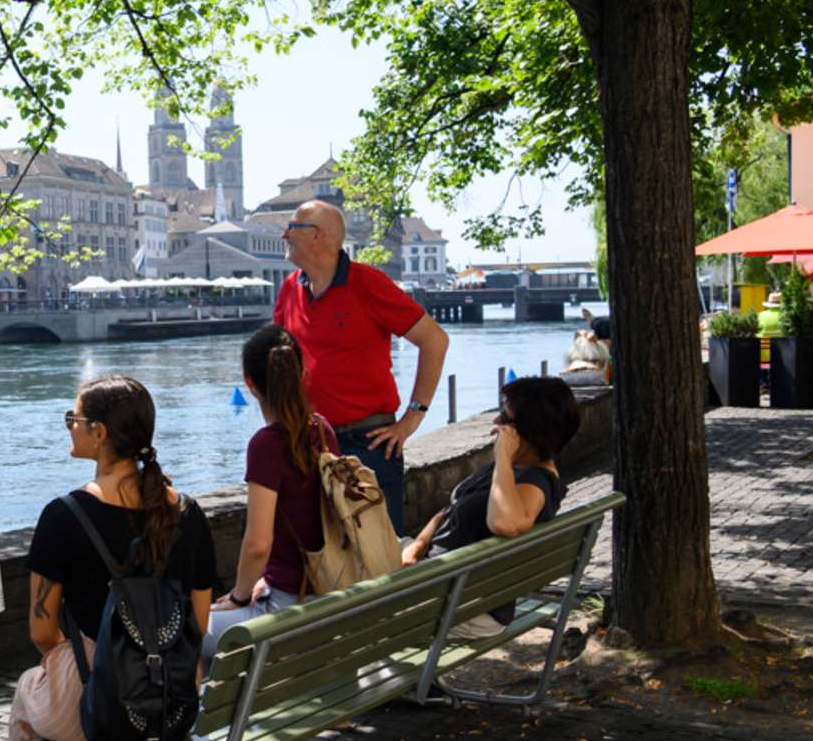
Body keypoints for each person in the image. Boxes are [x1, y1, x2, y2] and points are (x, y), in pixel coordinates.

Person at [9, 374, 218, 741]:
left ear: (99, 432)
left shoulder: (64, 514)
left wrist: (82, 663)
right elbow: (198, 624)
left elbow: (42, 632)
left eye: (73, 419)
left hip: (98, 692)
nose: (70, 427)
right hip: (174, 694)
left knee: (29, 688)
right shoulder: (187, 510)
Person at [275, 200, 449, 532]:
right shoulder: (289, 290)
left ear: (318, 236)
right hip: (310, 443)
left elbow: (435, 340)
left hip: (368, 443)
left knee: (379, 557)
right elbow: (278, 362)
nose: (285, 234)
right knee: (320, 557)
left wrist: (413, 418)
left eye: (293, 227)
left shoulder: (367, 282)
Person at [400, 376, 580, 638]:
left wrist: (503, 456)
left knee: (337, 589)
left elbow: (504, 523)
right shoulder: (512, 470)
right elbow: (448, 511)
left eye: (505, 418)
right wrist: (419, 544)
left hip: (462, 604)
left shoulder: (534, 483)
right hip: (436, 578)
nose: (497, 423)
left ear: (532, 431)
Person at [201, 325, 339, 667]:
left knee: (181, 634)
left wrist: (239, 596)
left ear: (250, 382)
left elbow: (257, 544)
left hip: (289, 608)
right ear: (301, 372)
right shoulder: (323, 430)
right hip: (331, 595)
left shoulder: (266, 445)